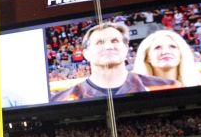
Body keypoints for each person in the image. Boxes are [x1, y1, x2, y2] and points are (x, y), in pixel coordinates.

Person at [50, 23, 179, 102]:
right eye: (100, 42)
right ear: (86, 54)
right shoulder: (61, 99)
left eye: (115, 41)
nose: (108, 47)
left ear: (126, 47)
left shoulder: (168, 87)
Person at [132, 30, 201, 88]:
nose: (165, 52)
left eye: (172, 46)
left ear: (181, 53)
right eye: (157, 48)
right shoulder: (135, 90)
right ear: (147, 57)